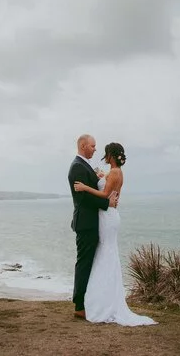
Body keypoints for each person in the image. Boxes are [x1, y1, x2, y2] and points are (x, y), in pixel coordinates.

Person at [74, 142, 157, 326]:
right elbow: (112, 189)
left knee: (105, 254)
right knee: (107, 253)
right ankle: (106, 299)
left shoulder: (114, 173)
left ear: (110, 155)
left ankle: (103, 302)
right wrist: (101, 176)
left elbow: (104, 195)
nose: (102, 154)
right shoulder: (116, 172)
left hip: (106, 216)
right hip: (111, 216)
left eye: (105, 153)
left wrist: (85, 188)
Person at [68, 134, 118, 319]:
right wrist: (107, 204)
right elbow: (84, 198)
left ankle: (88, 301)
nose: (95, 149)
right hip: (86, 223)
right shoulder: (77, 167)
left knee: (90, 262)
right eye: (93, 146)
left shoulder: (84, 165)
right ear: (83, 146)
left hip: (91, 222)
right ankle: (79, 306)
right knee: (84, 263)